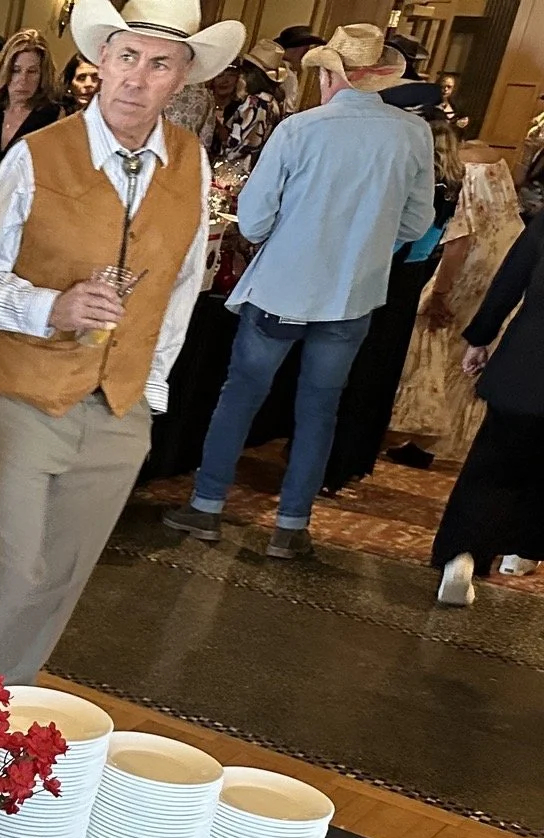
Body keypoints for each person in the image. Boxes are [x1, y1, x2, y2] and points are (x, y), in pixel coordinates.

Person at [0, 0, 237, 684]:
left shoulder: (190, 163)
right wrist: (52, 306)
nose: (137, 78)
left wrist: (148, 386)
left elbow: (180, 286)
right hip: (25, 395)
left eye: (158, 63)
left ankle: (2, 719)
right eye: (126, 57)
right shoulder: (37, 156)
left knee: (63, 581)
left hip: (121, 407)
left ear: (182, 77)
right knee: (16, 572)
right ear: (100, 61)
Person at [165, 24, 433, 559]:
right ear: (378, 78)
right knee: (319, 410)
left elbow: (256, 217)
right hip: (352, 294)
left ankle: (208, 505)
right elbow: (416, 222)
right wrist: (366, 239)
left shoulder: (300, 129)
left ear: (333, 73)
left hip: (281, 289)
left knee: (241, 396)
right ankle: (291, 525)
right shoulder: (411, 134)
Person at [322, 97, 462, 495]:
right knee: (379, 377)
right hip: (412, 278)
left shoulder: (421, 189)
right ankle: (354, 460)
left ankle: (336, 463)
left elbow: (405, 235)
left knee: (358, 372)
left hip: (391, 274)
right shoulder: (451, 186)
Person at [387, 138, 523, 467]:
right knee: (468, 356)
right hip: (504, 260)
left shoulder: (467, 183)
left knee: (433, 339)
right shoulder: (500, 180)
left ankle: (418, 426)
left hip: (471, 267)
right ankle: (432, 445)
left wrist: (439, 293)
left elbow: (458, 243)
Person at [430, 215, 544, 602]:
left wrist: (480, 337)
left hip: (527, 366)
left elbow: (509, 281)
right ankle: (522, 551)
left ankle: (462, 555)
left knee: (492, 467)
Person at [0, 30, 61, 187]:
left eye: (32, 71)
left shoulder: (52, 119)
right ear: (5, 71)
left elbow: (52, 177)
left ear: (43, 76)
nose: (23, 79)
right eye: (16, 70)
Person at [197, 61, 271, 177]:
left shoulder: (242, 108)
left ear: (239, 78)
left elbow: (234, 145)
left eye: (230, 75)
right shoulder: (201, 103)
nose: (224, 81)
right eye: (220, 75)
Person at [274, 24, 323, 111]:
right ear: (296, 50)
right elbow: (287, 110)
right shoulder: (287, 75)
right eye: (305, 50)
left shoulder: (272, 66)